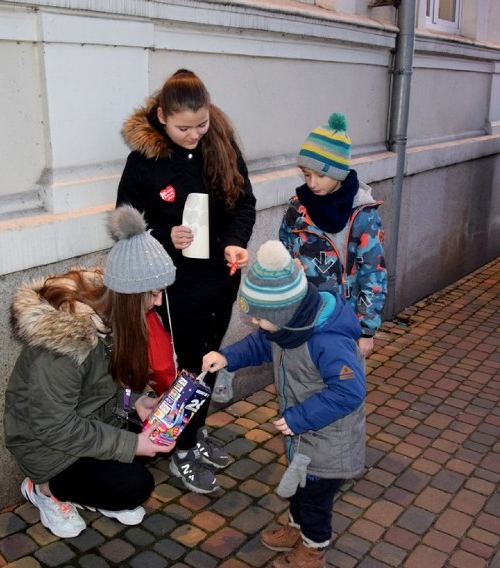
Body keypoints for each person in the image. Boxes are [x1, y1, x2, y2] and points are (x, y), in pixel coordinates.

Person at [116, 69, 256, 493]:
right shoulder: (144, 161)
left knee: (209, 363)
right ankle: (179, 448)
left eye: (202, 124)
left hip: (221, 279)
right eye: (184, 128)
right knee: (187, 370)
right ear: (161, 117)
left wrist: (234, 242)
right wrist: (163, 234)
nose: (195, 134)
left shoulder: (222, 147)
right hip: (175, 286)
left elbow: (244, 204)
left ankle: (193, 435)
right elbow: (126, 224)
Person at [4, 205, 177, 538]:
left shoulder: (118, 320)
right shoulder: (65, 345)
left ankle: (91, 488)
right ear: (130, 295)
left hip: (92, 421)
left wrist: (136, 403)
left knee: (155, 438)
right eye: (153, 294)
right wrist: (130, 444)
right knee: (135, 484)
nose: (158, 302)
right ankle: (43, 490)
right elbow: (53, 427)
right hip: (48, 446)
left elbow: (112, 385)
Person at [202, 240, 366, 568]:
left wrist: (300, 418)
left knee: (316, 500)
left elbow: (349, 392)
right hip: (304, 432)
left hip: (328, 439)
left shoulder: (327, 340)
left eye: (261, 319)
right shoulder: (286, 329)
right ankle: (295, 526)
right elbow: (260, 345)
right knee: (300, 484)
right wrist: (226, 357)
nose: (255, 324)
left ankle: (313, 547)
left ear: (284, 314)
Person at [279, 112, 387, 359]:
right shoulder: (297, 210)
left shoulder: (362, 215)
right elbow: (283, 256)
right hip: (303, 319)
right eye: (306, 174)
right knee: (302, 387)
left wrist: (366, 330)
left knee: (342, 388)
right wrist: (287, 269)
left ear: (338, 172)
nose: (312, 183)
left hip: (344, 324)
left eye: (320, 175)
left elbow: (374, 274)